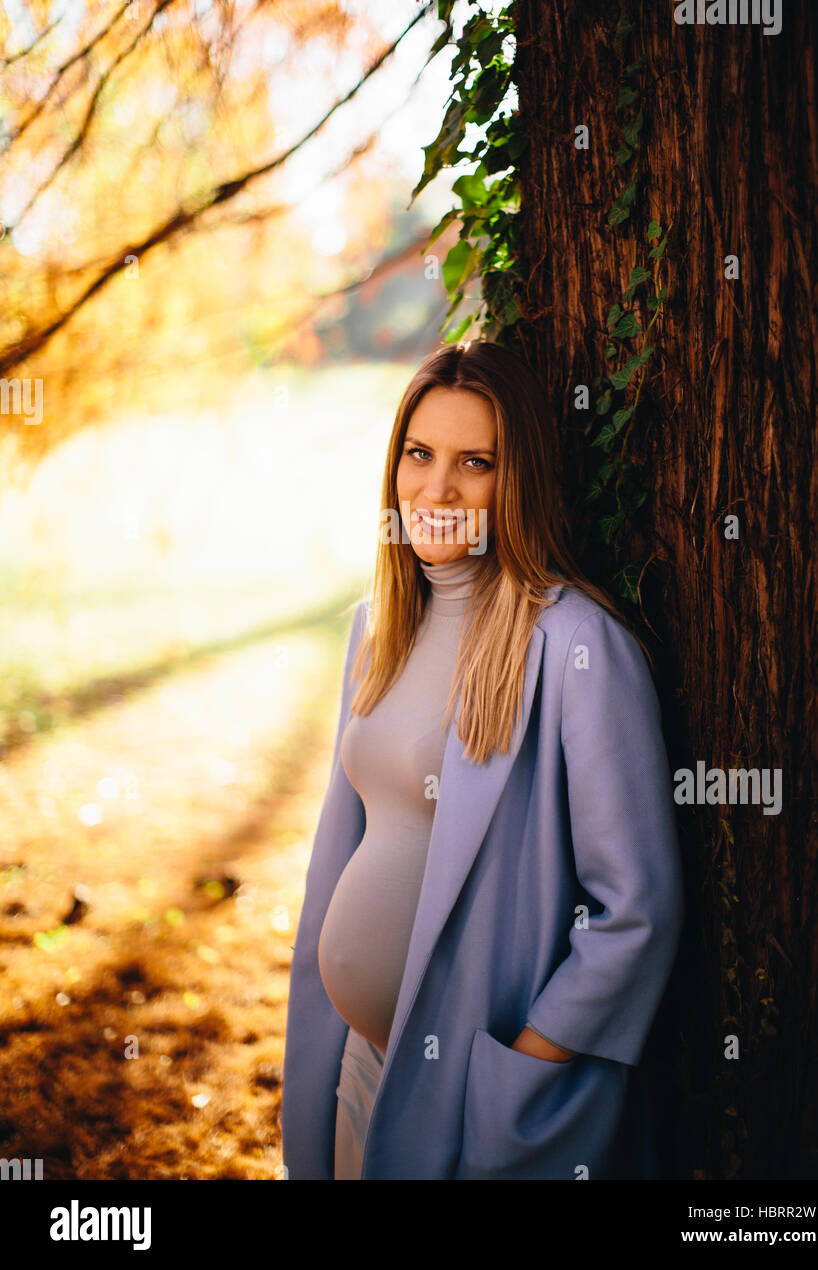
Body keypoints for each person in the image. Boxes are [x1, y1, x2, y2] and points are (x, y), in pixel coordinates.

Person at [281, 339, 684, 1180]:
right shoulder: (376, 629)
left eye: (476, 462)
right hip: (361, 1068)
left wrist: (534, 1060)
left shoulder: (576, 648)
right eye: (420, 455)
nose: (438, 489)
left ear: (518, 480)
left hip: (477, 1097)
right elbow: (348, 843)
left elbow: (635, 909)